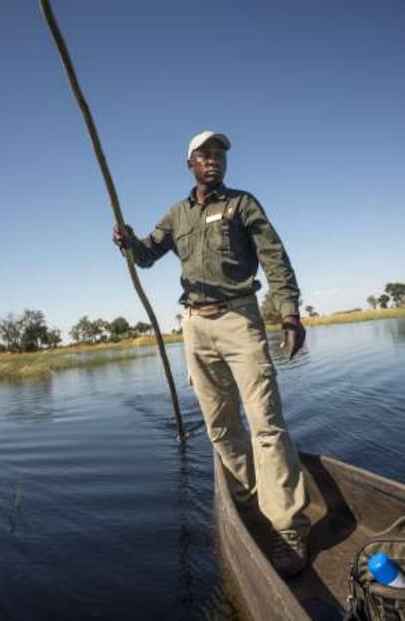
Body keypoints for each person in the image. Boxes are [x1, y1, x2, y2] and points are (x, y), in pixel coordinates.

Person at [113, 130, 310, 577]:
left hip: (240, 320)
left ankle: (288, 526)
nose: (213, 160)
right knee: (220, 426)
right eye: (204, 154)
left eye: (219, 154)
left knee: (266, 425)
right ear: (190, 164)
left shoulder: (242, 204)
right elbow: (147, 256)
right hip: (194, 327)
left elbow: (275, 258)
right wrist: (129, 242)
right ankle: (249, 500)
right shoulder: (176, 214)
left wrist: (290, 315)